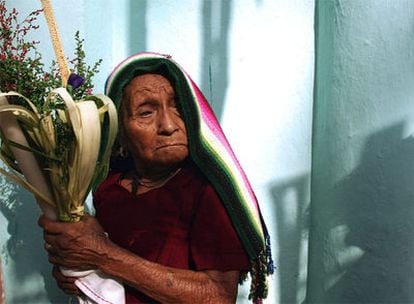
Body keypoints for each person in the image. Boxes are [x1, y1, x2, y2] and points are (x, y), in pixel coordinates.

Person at [39, 52, 273, 303]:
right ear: (121, 136)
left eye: (178, 107)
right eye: (146, 112)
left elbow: (217, 296)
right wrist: (78, 269)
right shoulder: (110, 187)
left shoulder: (206, 192)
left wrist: (103, 256)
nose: (169, 125)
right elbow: (104, 264)